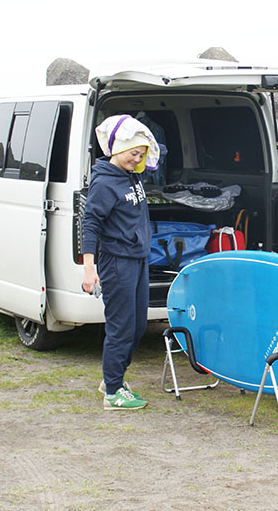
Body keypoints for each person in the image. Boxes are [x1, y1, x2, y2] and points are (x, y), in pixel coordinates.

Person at [82, 114, 160, 411]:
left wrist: (143, 149)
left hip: (137, 260)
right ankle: (113, 393)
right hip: (116, 262)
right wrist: (90, 269)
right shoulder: (104, 183)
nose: (137, 159)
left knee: (139, 325)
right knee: (122, 327)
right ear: (116, 149)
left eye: (140, 155)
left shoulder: (133, 175)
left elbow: (155, 151)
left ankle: (111, 379)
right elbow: (90, 224)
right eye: (132, 153)